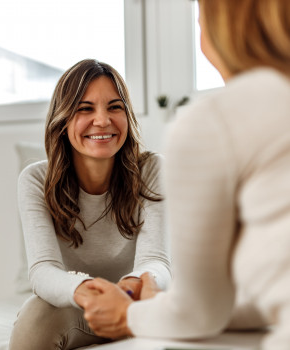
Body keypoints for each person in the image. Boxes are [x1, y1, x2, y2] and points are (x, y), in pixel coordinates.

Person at [75, 1, 290, 349]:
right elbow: (270, 299)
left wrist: (126, 315)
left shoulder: (214, 122)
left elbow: (199, 312)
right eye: (85, 108)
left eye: (199, 20)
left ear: (219, 31)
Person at [8, 59, 171, 350]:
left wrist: (129, 289)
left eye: (114, 107)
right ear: (63, 119)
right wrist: (87, 291)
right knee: (36, 315)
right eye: (85, 108)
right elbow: (43, 270)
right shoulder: (35, 180)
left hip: (137, 303)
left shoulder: (151, 170)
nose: (102, 120)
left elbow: (155, 261)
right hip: (78, 305)